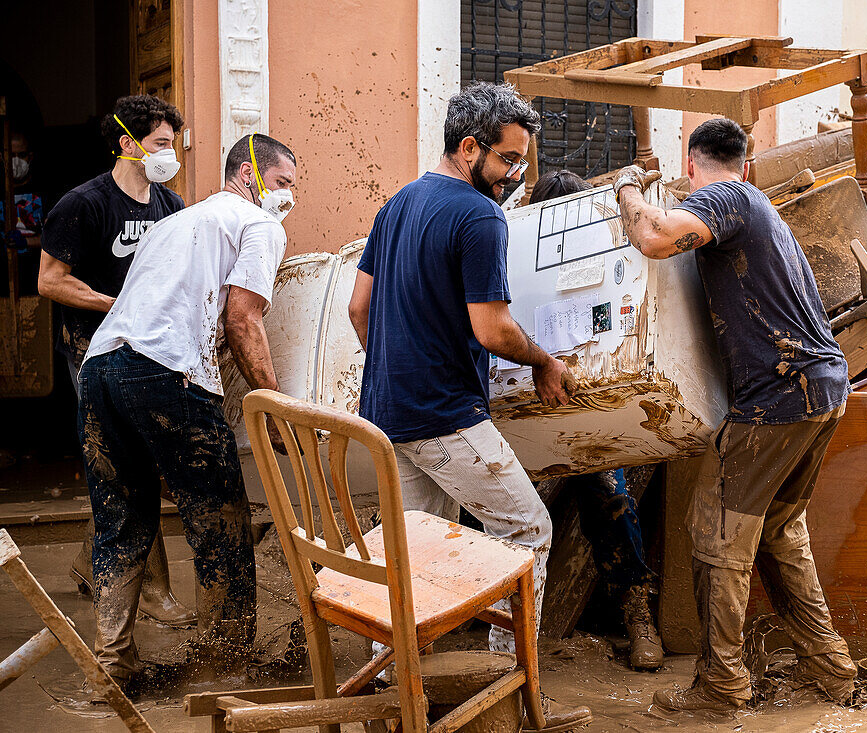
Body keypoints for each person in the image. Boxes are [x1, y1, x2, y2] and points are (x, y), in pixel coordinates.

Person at [348, 81, 591, 732]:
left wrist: (397, 367)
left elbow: (358, 309)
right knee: (528, 530)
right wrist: (544, 361)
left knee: (411, 556)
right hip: (445, 414)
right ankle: (509, 698)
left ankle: (392, 705)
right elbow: (492, 329)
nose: (516, 175)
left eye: (522, 163)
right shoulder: (479, 215)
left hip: (387, 415)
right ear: (468, 148)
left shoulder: (397, 204)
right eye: (509, 160)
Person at [613, 118, 858, 712]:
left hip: (778, 397)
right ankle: (833, 673)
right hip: (819, 390)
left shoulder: (727, 198)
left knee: (715, 536)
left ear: (691, 162)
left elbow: (653, 239)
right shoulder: (755, 202)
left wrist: (628, 190)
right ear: (746, 161)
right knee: (778, 530)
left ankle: (723, 686)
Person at [76, 131, 296, 691]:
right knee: (220, 522)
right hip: (165, 373)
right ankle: (227, 665)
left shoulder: (173, 223)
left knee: (120, 523)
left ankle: (113, 664)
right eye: (281, 183)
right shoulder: (259, 224)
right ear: (248, 174)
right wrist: (271, 406)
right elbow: (244, 317)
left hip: (100, 369)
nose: (288, 198)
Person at [38, 95, 194, 628]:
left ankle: (90, 560)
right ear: (128, 144)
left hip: (149, 353)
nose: (171, 155)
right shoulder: (83, 205)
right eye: (161, 145)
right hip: (93, 352)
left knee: (132, 463)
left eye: (173, 144)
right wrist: (116, 305)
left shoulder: (171, 207)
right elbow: (50, 280)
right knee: (127, 464)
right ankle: (151, 588)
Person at [528, 169, 663, 671]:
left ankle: (637, 613)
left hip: (583, 403)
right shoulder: (514, 253)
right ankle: (499, 615)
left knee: (610, 493)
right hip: (521, 399)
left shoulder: (606, 256)